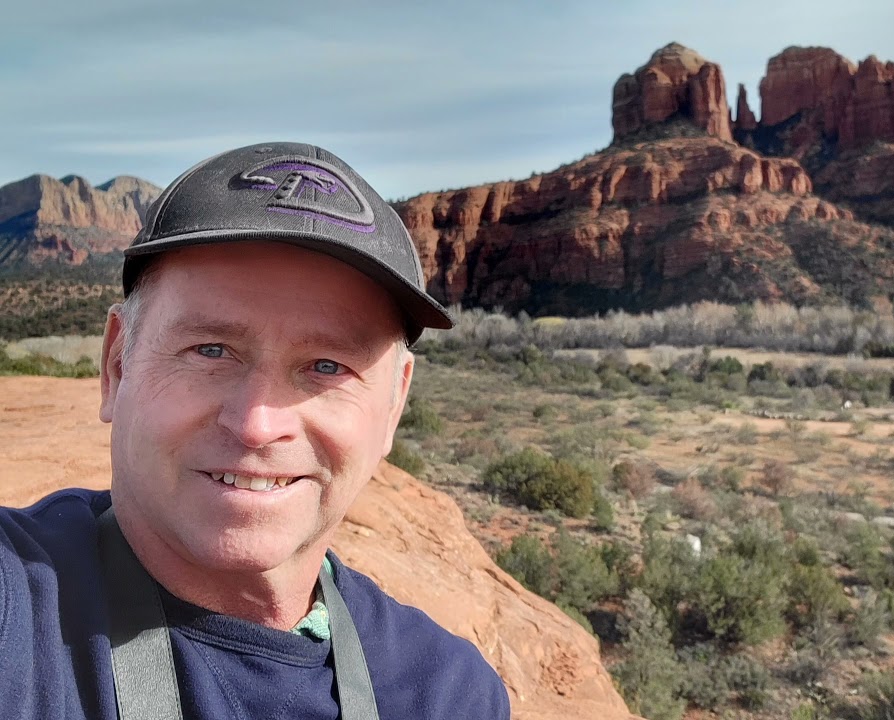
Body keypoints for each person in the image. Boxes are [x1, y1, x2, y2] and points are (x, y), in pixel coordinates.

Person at [0, 142, 511, 719]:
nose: (255, 425)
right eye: (210, 350)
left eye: (326, 367)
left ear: (393, 406)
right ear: (117, 366)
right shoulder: (17, 607)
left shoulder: (447, 693)